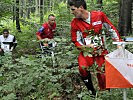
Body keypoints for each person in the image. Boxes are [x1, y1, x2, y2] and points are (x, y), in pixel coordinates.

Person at [67, 0, 122, 95]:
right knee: (82, 67)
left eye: (73, 9)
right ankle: (91, 91)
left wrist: (118, 43)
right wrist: (84, 47)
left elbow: (111, 29)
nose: (72, 12)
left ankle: (106, 93)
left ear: (81, 7)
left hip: (100, 51)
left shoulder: (99, 15)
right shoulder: (75, 23)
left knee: (102, 73)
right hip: (86, 51)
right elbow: (76, 40)